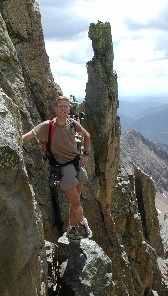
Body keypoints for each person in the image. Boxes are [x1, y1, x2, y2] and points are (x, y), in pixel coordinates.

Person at [22, 95, 92, 240]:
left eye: (66, 106)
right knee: (76, 202)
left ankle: (71, 228)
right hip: (64, 168)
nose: (64, 109)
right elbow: (27, 136)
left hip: (77, 163)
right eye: (60, 106)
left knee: (76, 201)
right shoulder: (47, 126)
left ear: (69, 108)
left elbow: (87, 136)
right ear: (55, 109)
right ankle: (83, 223)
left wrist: (85, 154)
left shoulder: (72, 124)